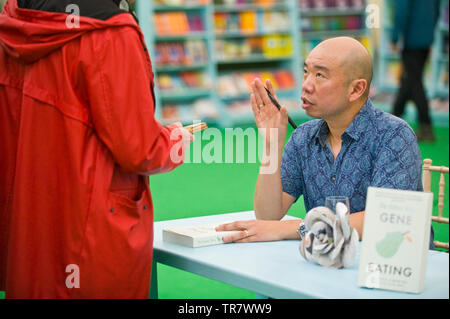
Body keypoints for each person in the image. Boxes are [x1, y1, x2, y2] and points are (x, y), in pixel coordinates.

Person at [0, 0, 193, 298]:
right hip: (91, 230)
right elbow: (139, 148)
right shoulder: (112, 31)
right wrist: (175, 140)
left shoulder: (15, 20)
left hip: (29, 229)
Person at [216, 36, 434, 249]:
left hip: (390, 268)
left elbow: (385, 219)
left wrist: (295, 228)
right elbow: (268, 215)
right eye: (306, 72)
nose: (306, 86)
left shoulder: (394, 135)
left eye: (320, 75)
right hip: (329, 262)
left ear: (356, 89)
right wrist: (272, 145)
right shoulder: (303, 136)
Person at [391, 0, 440, 142]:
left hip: (412, 38)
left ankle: (425, 125)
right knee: (411, 80)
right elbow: (437, 11)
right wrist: (429, 34)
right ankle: (395, 117)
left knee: (413, 81)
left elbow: (401, 11)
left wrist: (395, 37)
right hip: (426, 38)